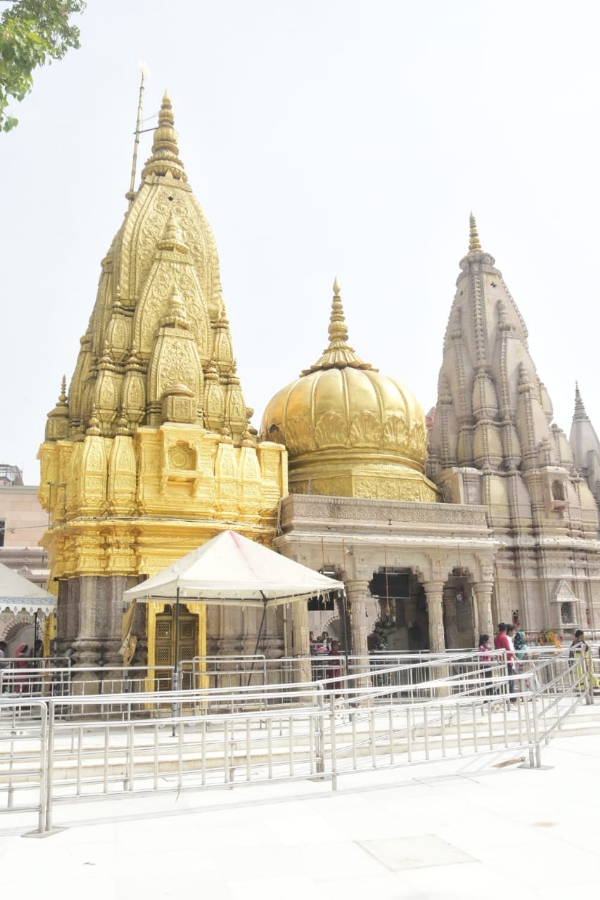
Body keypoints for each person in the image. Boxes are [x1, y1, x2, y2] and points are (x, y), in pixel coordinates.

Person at [494, 623, 516, 705]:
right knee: (510, 681)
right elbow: (508, 650)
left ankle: (507, 698)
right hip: (507, 661)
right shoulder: (503, 637)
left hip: (502, 661)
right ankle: (512, 699)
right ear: (506, 630)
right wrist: (515, 658)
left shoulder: (497, 638)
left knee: (506, 680)